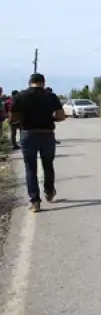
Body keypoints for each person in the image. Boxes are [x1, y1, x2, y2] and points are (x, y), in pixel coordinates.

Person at [10, 73, 66, 212]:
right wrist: (49, 119)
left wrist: (23, 121)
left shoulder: (20, 96)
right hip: (47, 134)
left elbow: (13, 119)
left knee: (30, 167)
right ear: (43, 83)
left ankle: (35, 201)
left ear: (30, 82)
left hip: (28, 135)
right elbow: (61, 116)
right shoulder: (51, 96)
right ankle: (49, 192)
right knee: (48, 164)